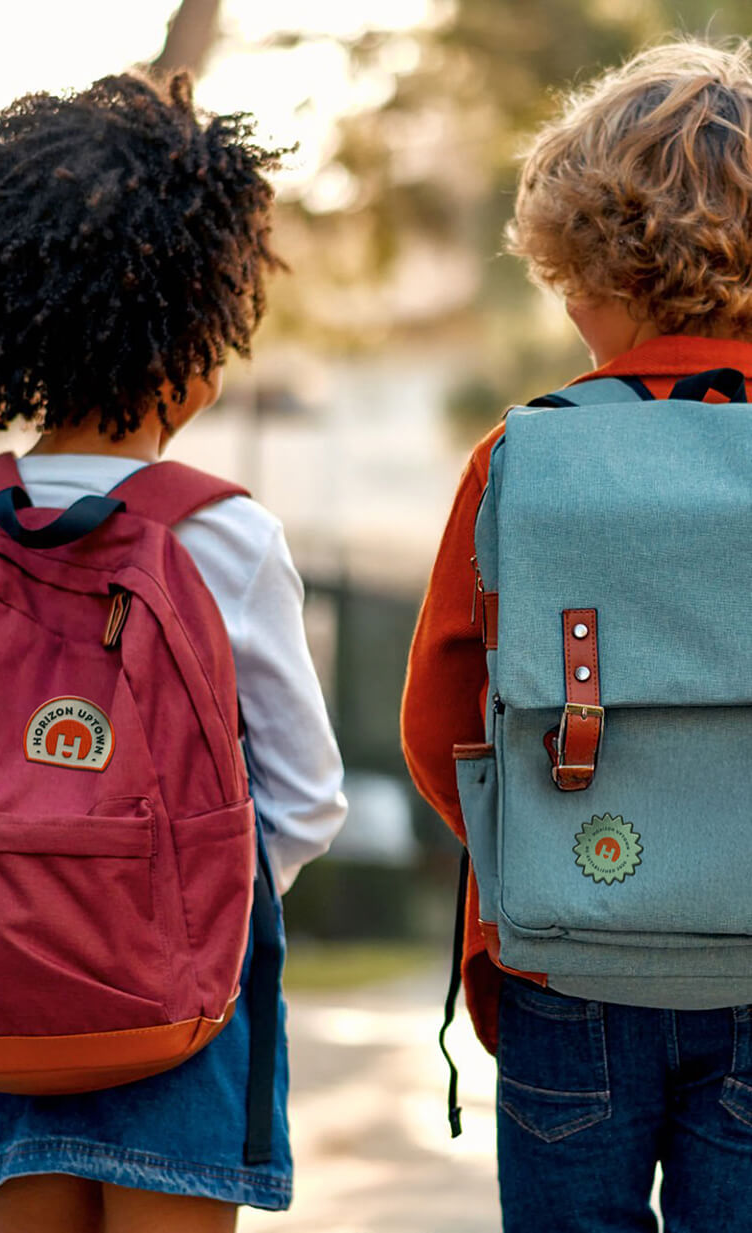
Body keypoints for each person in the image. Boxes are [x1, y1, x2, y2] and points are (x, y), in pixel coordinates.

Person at [0, 70, 346, 1233]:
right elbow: (305, 800)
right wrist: (166, 905)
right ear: (194, 334)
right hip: (178, 1007)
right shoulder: (225, 533)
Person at [401, 38, 752, 1233]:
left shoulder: (525, 454)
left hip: (570, 960)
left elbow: (435, 720)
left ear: (583, 262)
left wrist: (552, 849)